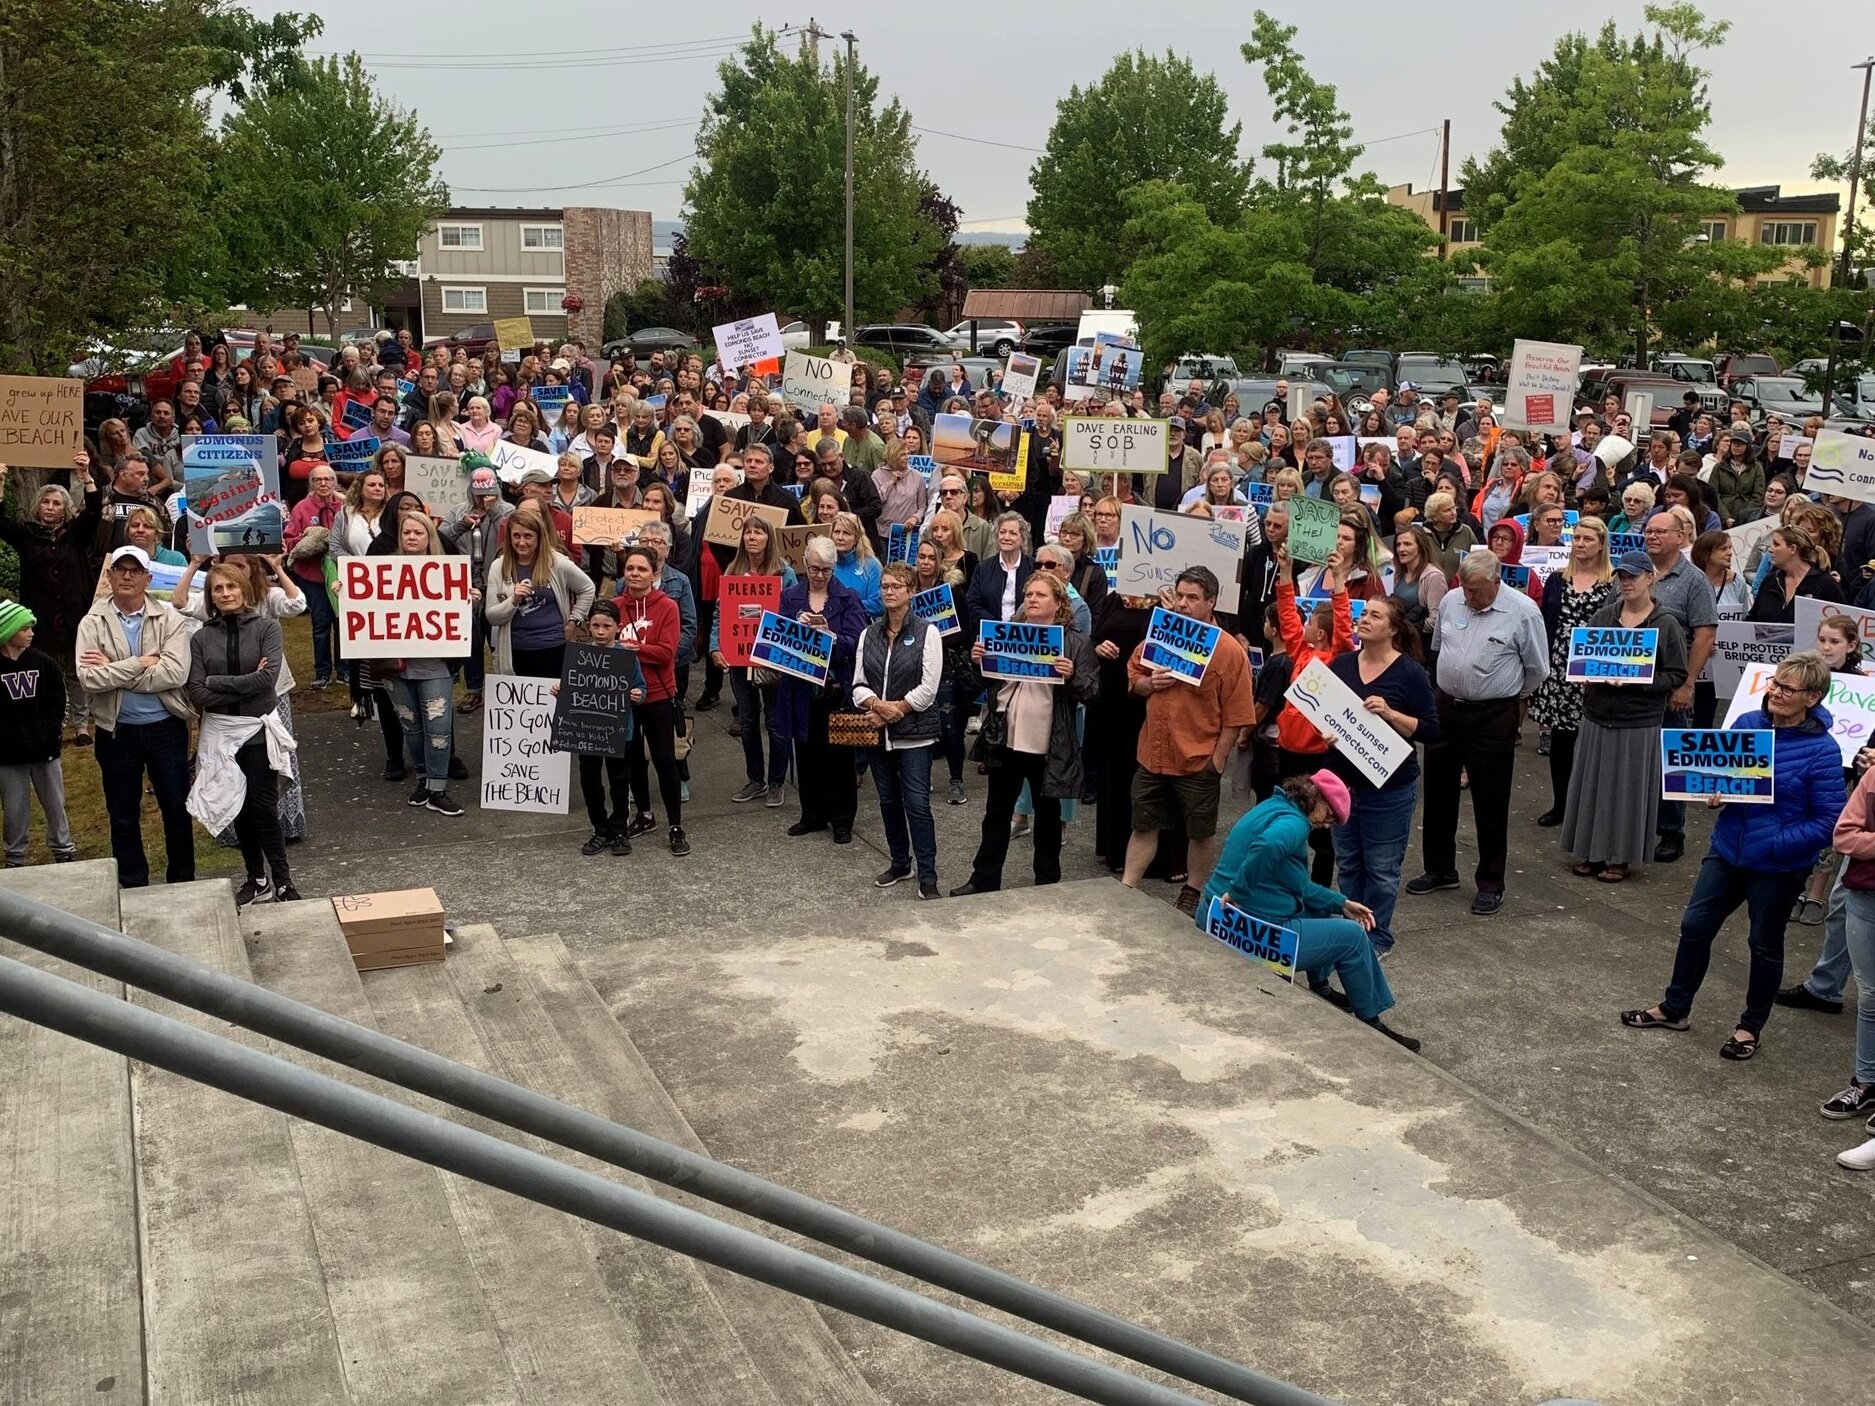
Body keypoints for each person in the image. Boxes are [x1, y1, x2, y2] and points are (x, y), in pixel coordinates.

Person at [1621, 651, 1846, 1061]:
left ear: (1812, 698)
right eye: (1775, 683)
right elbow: (1723, 782)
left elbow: (1829, 820)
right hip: (1727, 851)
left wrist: (1777, 843)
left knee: (1763, 944)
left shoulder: (1823, 752)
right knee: (1694, 927)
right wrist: (1712, 794)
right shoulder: (1747, 724)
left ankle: (1749, 1028)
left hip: (1777, 866)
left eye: (1787, 688)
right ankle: (1675, 1008)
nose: (1776, 691)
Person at [1197, 770, 1420, 1051]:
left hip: (1211, 916)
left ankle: (1321, 988)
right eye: (1329, 815)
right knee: (1352, 937)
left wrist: (1341, 903)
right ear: (1315, 797)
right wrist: (1239, 892)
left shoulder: (1273, 807)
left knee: (1319, 906)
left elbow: (1299, 886)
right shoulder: (1295, 825)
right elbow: (1268, 846)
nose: (1327, 825)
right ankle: (1372, 1023)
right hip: (1252, 933)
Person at [1409, 549, 1550, 916]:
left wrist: (1511, 701)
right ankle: (1439, 869)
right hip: (1447, 706)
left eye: (1477, 591)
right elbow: (1439, 646)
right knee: (1438, 790)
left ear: (1496, 582)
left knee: (1491, 798)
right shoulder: (1454, 601)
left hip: (1492, 713)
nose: (1469, 597)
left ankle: (1490, 881)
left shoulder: (1522, 612)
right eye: (1465, 588)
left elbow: (1537, 669)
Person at [1120, 566, 1257, 914]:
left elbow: (1237, 714)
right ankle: (1127, 888)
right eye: (1179, 595)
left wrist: (1217, 761)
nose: (1182, 603)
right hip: (1153, 753)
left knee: (1199, 830)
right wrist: (1148, 685)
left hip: (1198, 758)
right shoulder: (1160, 633)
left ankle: (1193, 891)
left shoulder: (1228, 650)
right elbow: (1134, 676)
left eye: (1192, 598)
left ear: (1211, 602)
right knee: (1143, 823)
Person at [953, 569, 1098, 896]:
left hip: (1048, 743)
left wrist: (1072, 675)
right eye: (1028, 595)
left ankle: (1047, 882)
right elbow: (984, 683)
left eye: (1040, 595)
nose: (1031, 599)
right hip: (1005, 738)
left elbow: (1091, 691)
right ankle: (984, 878)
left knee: (1047, 817)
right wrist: (978, 661)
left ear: (1058, 603)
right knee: (995, 814)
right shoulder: (1007, 633)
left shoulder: (1074, 641)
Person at [1560, 552, 1688, 882]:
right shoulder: (1603, 617)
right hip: (1597, 714)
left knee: (1628, 791)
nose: (1626, 582)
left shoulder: (1666, 623)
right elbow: (1583, 659)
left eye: (1633, 576)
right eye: (1622, 577)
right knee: (1592, 786)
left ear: (1650, 578)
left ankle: (1621, 857)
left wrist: (1638, 680)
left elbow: (1675, 675)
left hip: (1639, 720)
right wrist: (1588, 672)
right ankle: (1589, 851)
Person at [1323, 596, 1437, 957]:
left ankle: (1377, 938)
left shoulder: (1410, 673)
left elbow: (1431, 730)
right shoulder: (1341, 665)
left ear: (1392, 629)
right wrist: (1325, 731)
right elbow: (1327, 713)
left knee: (1382, 869)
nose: (1365, 620)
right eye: (1363, 614)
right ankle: (1351, 933)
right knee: (1350, 864)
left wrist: (1390, 714)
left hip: (1389, 788)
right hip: (1343, 784)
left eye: (1375, 615)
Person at [76, 546, 195, 888]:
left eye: (134, 570)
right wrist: (140, 663)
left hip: (166, 728)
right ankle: (132, 883)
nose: (127, 576)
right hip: (116, 732)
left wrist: (113, 669)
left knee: (175, 808)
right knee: (123, 814)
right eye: (120, 570)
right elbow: (88, 678)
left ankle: (183, 881)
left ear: (148, 578)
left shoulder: (170, 618)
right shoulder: (92, 621)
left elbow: (174, 673)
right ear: (110, 577)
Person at [174, 551, 311, 842]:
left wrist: (276, 567)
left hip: (270, 693)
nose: (230, 577)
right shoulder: (215, 609)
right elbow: (181, 602)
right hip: (228, 710)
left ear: (251, 569)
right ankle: (237, 832)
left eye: (239, 566)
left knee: (271, 762)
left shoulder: (267, 597)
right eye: (226, 568)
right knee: (230, 768)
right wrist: (195, 564)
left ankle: (283, 826)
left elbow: (298, 603)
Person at [185, 562, 298, 906]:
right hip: (220, 734)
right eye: (218, 589)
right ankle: (256, 878)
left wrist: (216, 682)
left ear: (244, 591)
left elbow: (267, 683)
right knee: (239, 809)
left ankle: (283, 880)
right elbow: (195, 692)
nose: (225, 594)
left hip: (256, 731)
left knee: (263, 807)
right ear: (211, 597)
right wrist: (242, 683)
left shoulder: (267, 629)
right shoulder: (202, 637)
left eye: (231, 587)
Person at [852, 564, 945, 899]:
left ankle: (928, 875)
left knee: (917, 805)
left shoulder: (927, 632)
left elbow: (928, 689)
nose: (889, 592)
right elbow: (858, 685)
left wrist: (896, 710)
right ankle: (899, 861)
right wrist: (877, 705)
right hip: (879, 734)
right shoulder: (868, 634)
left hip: (915, 735)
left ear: (910, 592)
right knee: (888, 801)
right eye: (885, 586)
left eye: (896, 586)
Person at [0, 455, 103, 745]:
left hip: (73, 611)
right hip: (40, 613)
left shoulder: (75, 534)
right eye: (46, 502)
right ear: (38, 506)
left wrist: (86, 476)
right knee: (45, 670)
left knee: (76, 670)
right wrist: (0, 481)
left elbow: (94, 512)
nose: (50, 508)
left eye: (57, 503)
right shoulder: (27, 535)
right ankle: (53, 723)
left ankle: (81, 725)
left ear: (65, 508)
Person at [775, 536, 870, 844]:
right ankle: (812, 814)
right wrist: (796, 628)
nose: (818, 575)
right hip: (802, 689)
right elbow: (779, 638)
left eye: (826, 570)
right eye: (814, 568)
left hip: (836, 689)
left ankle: (842, 820)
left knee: (840, 758)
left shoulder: (848, 597)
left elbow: (856, 642)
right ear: (804, 563)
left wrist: (829, 635)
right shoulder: (790, 596)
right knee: (807, 752)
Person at [1642, 507, 1719, 865]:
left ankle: (1671, 831)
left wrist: (1688, 683)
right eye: (1649, 531)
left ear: (1680, 537)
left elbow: (1705, 634)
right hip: (1632, 686)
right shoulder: (1634, 572)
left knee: (1670, 757)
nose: (1652, 536)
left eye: (1660, 532)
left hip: (1671, 683)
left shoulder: (1694, 581)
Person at [1531, 517, 1615, 825]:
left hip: (1594, 669)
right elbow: (1544, 621)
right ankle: (1561, 803)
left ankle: (1589, 806)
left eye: (1587, 539)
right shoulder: (1556, 579)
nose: (1580, 544)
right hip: (1558, 667)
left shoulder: (1612, 583)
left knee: (1591, 741)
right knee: (1561, 741)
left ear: (1601, 545)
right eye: (1577, 538)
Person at [710, 515, 796, 807]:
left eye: (758, 532)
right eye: (748, 532)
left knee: (775, 722)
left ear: (768, 538)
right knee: (747, 720)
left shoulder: (784, 574)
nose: (752, 537)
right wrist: (714, 647)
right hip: (739, 657)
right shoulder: (733, 570)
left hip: (772, 658)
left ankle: (776, 782)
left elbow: (792, 614)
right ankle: (755, 780)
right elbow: (721, 616)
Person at [614, 546, 688, 856]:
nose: (634, 574)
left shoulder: (667, 607)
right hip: (624, 694)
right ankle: (644, 815)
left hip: (658, 694)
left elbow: (666, 653)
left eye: (641, 569)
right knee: (632, 760)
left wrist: (631, 648)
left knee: (664, 760)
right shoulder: (615, 605)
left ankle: (675, 825)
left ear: (654, 573)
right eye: (630, 568)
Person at [565, 598, 646, 857]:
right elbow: (571, 686)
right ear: (588, 626)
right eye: (596, 626)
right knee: (590, 781)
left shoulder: (626, 657)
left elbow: (642, 686)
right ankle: (599, 829)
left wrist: (637, 694)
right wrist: (560, 690)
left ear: (617, 628)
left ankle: (620, 829)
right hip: (586, 731)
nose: (601, 632)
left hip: (620, 730)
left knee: (620, 781)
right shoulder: (580, 655)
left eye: (606, 626)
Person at [0, 601, 78, 866]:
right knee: (13, 810)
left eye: (32, 627)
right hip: (8, 757)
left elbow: (59, 701)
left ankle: (64, 849)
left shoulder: (43, 663)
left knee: (55, 805)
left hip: (46, 753)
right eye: (24, 628)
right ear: (8, 631)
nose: (31, 632)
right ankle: (15, 856)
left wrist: (51, 733)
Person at [483, 500, 593, 680]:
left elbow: (587, 588)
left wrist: (574, 621)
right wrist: (513, 600)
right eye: (516, 536)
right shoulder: (499, 566)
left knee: (553, 704)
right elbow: (492, 617)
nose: (521, 542)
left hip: (553, 646)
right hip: (514, 649)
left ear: (539, 537)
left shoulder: (556, 562)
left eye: (528, 536)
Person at [1747, 523, 1842, 622]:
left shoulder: (1825, 585)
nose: (1770, 549)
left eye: (1776, 544)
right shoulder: (1771, 581)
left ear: (1792, 549)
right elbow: (1752, 621)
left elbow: (1840, 626)